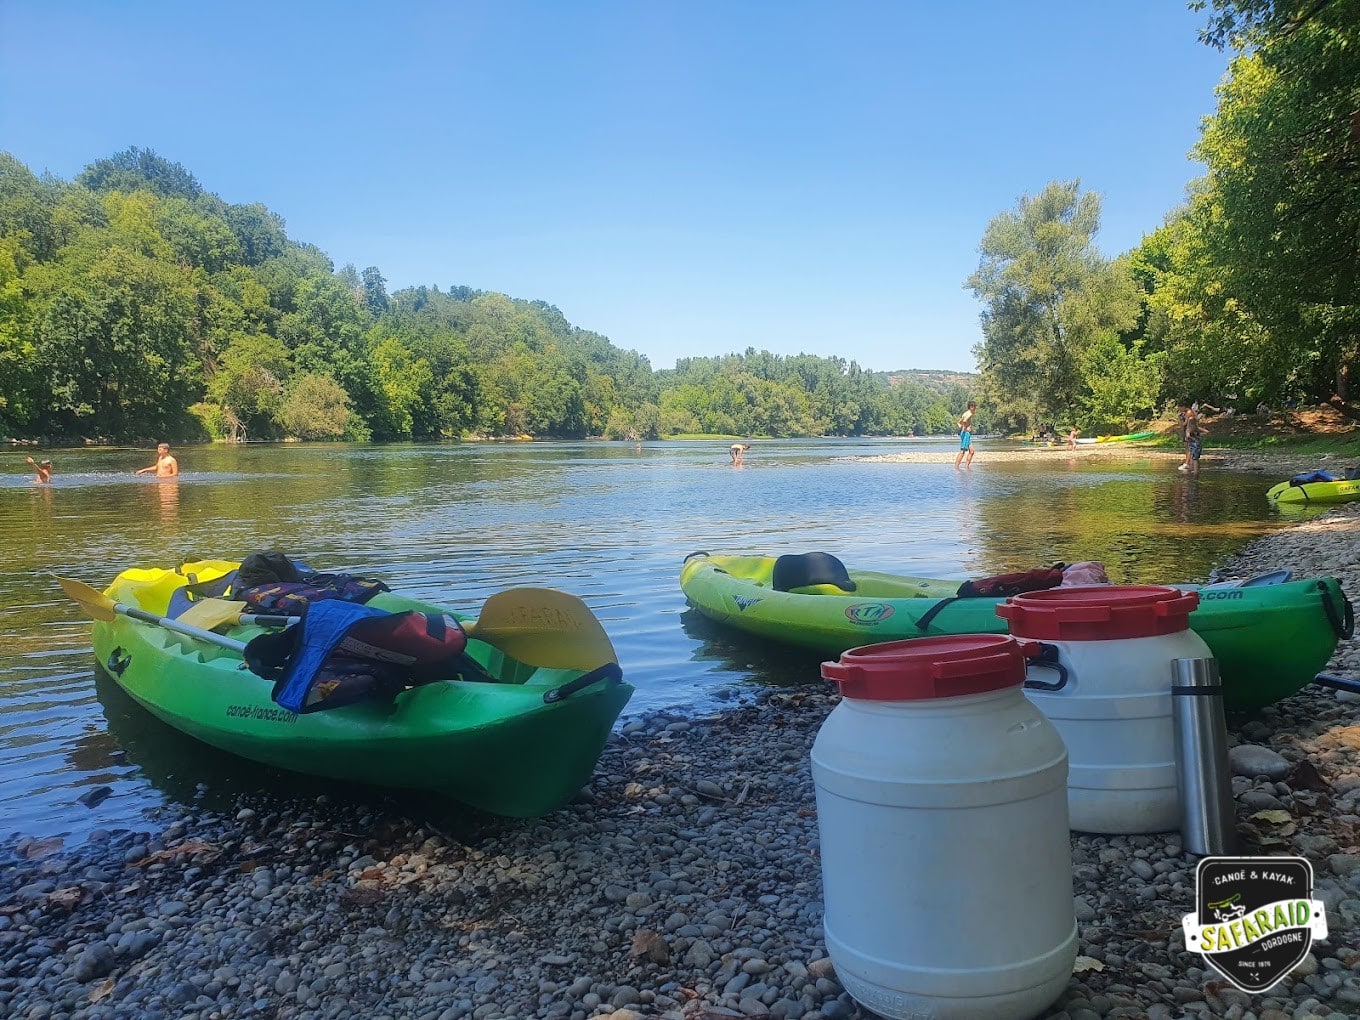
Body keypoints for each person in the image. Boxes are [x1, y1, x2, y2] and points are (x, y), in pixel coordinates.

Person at [954, 402, 976, 469]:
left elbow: (958, 422)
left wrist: (961, 426)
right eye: (975, 407)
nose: (975, 408)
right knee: (962, 451)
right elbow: (964, 421)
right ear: (971, 407)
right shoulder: (969, 414)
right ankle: (956, 467)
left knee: (972, 451)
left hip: (965, 433)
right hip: (965, 433)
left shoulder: (965, 413)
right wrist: (966, 428)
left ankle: (967, 467)